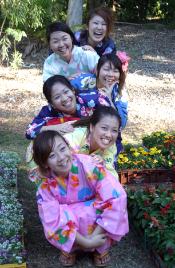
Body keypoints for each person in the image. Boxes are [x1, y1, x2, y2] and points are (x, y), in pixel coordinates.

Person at [32, 130, 129, 266]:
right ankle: (71, 248)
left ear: (68, 146)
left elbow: (115, 195)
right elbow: (51, 221)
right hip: (72, 223)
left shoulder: (88, 163)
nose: (61, 157)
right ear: (44, 163)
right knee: (57, 216)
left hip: (97, 223)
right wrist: (87, 242)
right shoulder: (45, 186)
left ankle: (101, 247)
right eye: (52, 155)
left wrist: (96, 235)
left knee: (115, 200)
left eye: (62, 148)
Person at [26, 75, 110, 140]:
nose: (64, 98)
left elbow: (113, 119)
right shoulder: (48, 111)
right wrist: (55, 128)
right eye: (57, 97)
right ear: (52, 104)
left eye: (66, 92)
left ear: (72, 90)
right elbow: (30, 132)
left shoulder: (92, 99)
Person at [64, 106, 121, 178]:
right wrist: (89, 164)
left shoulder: (111, 146)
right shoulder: (76, 136)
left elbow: (112, 177)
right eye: (104, 128)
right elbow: (61, 163)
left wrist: (103, 167)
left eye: (114, 130)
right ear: (92, 127)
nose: (109, 135)